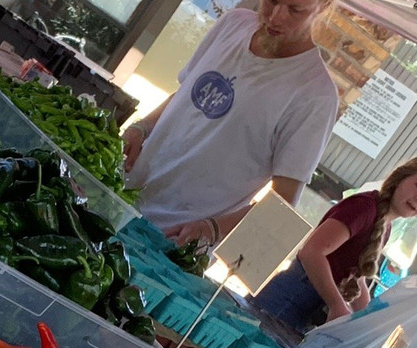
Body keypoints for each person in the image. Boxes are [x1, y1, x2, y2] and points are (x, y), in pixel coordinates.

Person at [123, 0, 338, 248]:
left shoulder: (316, 95)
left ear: (323, 6)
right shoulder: (232, 23)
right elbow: (187, 93)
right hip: (126, 194)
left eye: (295, 9)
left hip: (173, 240)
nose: (276, 17)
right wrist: (142, 128)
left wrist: (213, 228)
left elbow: (283, 202)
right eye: (271, 1)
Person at [252, 155, 417, 334]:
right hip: (283, 301)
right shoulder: (363, 207)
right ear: (401, 178)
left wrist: (367, 323)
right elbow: (312, 252)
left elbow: (356, 277)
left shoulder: (385, 226)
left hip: (304, 314)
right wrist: (337, 305)